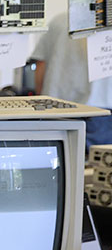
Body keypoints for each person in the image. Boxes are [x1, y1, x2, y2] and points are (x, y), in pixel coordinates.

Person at [31, 12, 112, 148]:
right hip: (102, 111)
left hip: (56, 110)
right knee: (98, 166)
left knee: (62, 164)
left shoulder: (59, 21)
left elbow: (41, 66)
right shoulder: (107, 20)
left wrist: (41, 101)